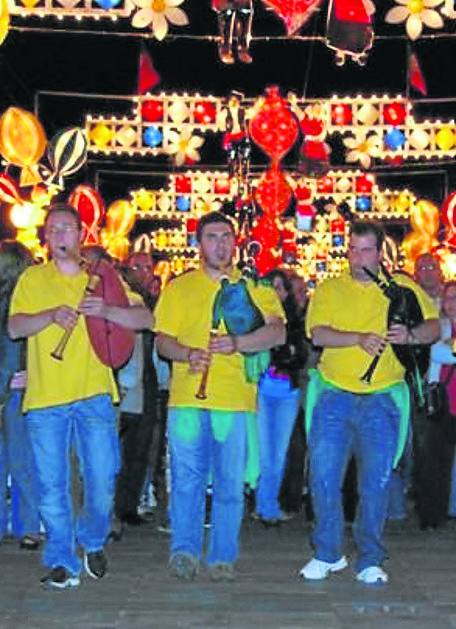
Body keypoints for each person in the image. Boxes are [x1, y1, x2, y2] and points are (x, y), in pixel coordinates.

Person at [8, 203, 152, 590]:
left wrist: (106, 309)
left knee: (103, 477)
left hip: (94, 394)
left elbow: (144, 320)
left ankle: (92, 539)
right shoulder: (32, 279)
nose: (59, 236)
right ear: (45, 237)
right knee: (51, 483)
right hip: (46, 398)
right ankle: (60, 558)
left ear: (80, 234)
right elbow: (15, 327)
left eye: (67, 229)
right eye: (52, 230)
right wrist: (51, 315)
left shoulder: (102, 277)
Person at [301, 221, 438, 584]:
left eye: (365, 250)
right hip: (334, 395)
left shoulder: (403, 287)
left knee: (375, 483)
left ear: (380, 253)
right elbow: (317, 333)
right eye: (352, 249)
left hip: (382, 399)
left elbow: (435, 327)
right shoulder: (330, 288)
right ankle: (328, 552)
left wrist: (410, 335)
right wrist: (358, 338)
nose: (357, 257)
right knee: (324, 476)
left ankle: (370, 557)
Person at [154, 210, 285, 581]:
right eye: (212, 237)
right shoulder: (179, 288)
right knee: (186, 479)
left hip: (235, 400)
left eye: (227, 236)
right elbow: (162, 341)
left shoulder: (256, 287)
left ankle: (223, 555)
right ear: (199, 244)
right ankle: (184, 550)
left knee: (230, 482)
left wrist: (238, 343)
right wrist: (187, 353)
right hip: (187, 399)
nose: (221, 244)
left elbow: (277, 334)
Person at [254, 269, 307, 525]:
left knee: (279, 450)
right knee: (264, 450)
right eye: (270, 286)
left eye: (279, 287)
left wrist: (285, 359)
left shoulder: (296, 322)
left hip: (288, 392)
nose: (275, 292)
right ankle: (265, 504)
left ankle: (269, 503)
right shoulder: (255, 319)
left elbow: (301, 357)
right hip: (262, 391)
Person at [0, 240, 41, 550]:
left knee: (14, 459)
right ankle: (28, 526)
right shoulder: (28, 302)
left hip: (15, 386)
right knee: (23, 460)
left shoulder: (24, 303)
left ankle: (17, 524)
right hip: (20, 388)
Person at [114, 251, 159, 528]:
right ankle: (118, 506)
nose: (144, 272)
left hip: (148, 376)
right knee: (120, 446)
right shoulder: (125, 299)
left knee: (142, 445)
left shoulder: (156, 300)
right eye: (137, 267)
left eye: (148, 267)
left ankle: (129, 503)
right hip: (126, 375)